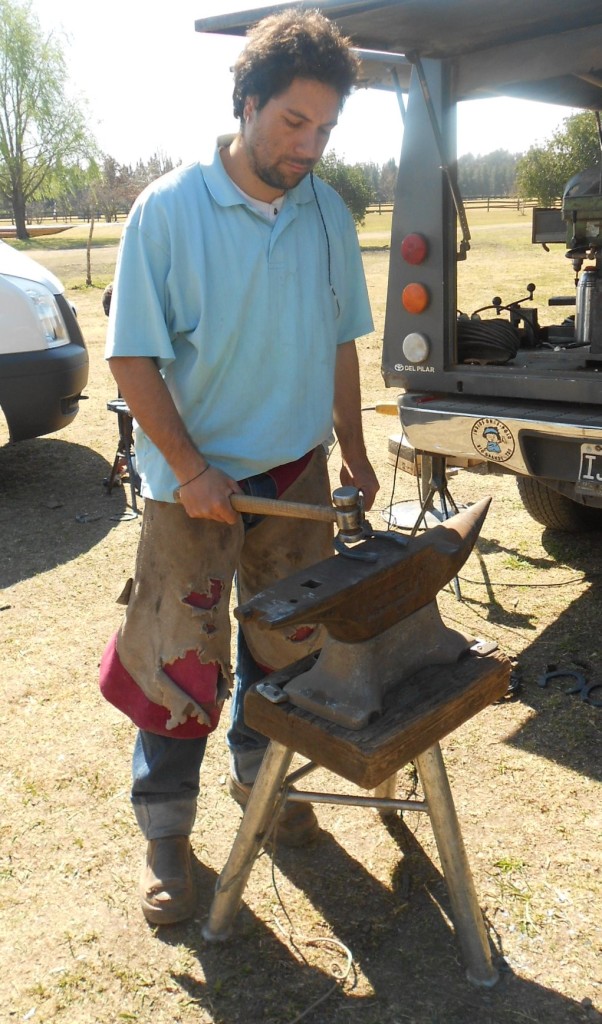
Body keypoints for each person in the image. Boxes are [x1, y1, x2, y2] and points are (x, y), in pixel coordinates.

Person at [101, 7, 379, 926]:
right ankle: (167, 836)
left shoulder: (327, 212)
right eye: (294, 121)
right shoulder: (169, 210)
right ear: (248, 101)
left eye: (326, 127)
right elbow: (132, 358)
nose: (309, 145)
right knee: (179, 662)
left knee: (282, 652)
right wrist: (189, 467)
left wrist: (353, 451)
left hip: (294, 476)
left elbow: (340, 344)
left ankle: (264, 786)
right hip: (193, 486)